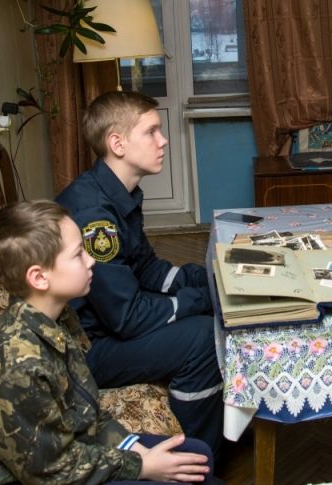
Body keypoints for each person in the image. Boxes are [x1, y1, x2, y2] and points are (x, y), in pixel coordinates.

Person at [0, 200, 216, 484]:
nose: (92, 260)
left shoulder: (58, 318)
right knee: (193, 474)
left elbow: (83, 408)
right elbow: (50, 470)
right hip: (45, 475)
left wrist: (134, 448)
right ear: (39, 277)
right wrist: (141, 466)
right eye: (78, 254)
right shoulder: (18, 365)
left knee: (197, 455)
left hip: (73, 447)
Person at [54, 91, 224, 458]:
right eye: (151, 131)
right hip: (86, 349)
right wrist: (202, 300)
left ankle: (216, 424)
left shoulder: (118, 191)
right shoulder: (93, 214)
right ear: (117, 143)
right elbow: (127, 317)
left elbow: (145, 266)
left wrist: (202, 279)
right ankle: (193, 454)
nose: (163, 140)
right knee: (201, 337)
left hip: (108, 324)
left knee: (206, 300)